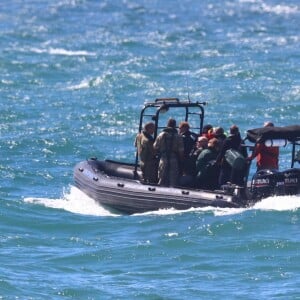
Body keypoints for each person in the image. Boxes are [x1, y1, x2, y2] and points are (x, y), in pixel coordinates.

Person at [153, 118, 184, 187]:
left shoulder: (161, 135)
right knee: (173, 180)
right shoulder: (179, 136)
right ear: (175, 125)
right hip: (174, 159)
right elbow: (181, 151)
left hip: (163, 158)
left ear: (167, 125)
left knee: (162, 178)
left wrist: (157, 156)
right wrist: (181, 161)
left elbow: (155, 147)